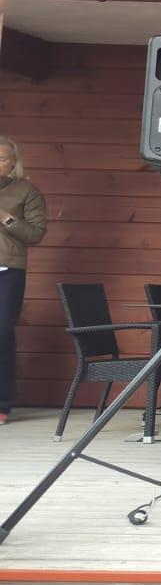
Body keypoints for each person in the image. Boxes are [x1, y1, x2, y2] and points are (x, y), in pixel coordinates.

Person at [0, 136, 48, 427]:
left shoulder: (26, 191)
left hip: (8, 272)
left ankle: (1, 404)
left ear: (13, 163)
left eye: (2, 159)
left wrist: (6, 218)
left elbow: (36, 234)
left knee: (1, 334)